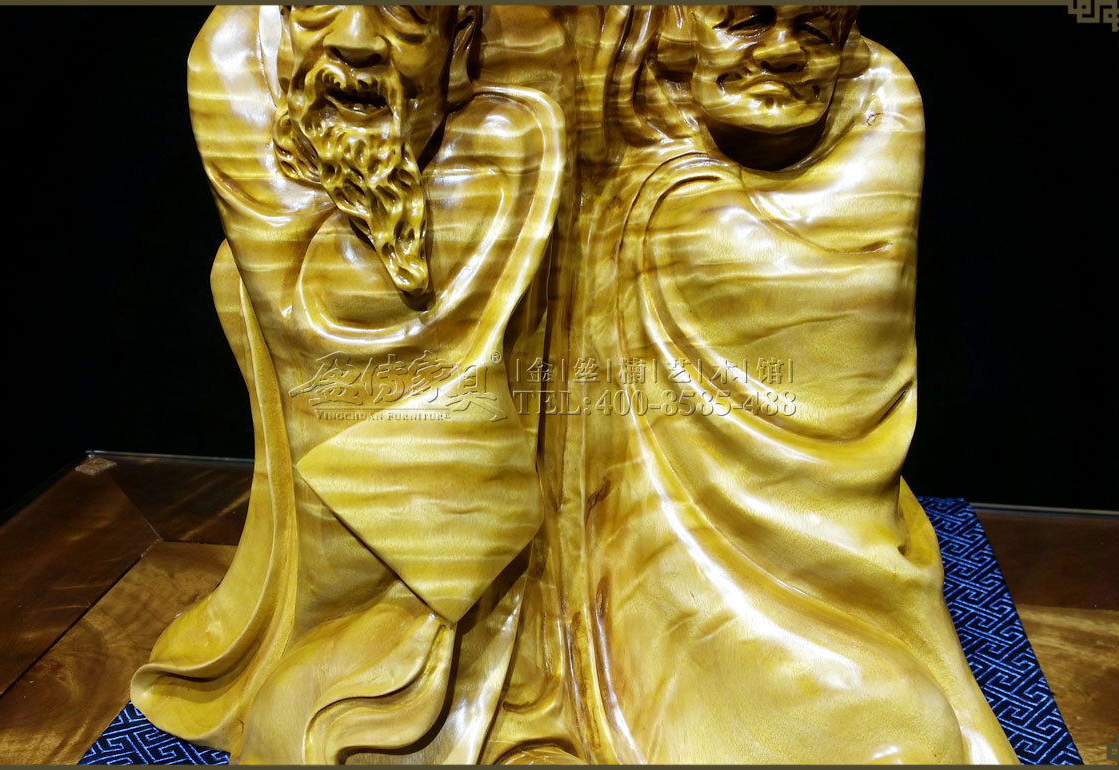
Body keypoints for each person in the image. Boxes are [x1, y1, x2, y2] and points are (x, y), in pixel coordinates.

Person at [548, 5, 1022, 762]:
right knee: (899, 734)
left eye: (815, 28)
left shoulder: (879, 98)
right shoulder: (602, 106)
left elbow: (848, 337)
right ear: (674, 26)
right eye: (746, 21)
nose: (781, 52)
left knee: (906, 730)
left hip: (820, 529)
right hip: (643, 531)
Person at [130, 6, 565, 763]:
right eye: (316, 5)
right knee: (235, 281)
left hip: (513, 534)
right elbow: (318, 316)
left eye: (406, 12)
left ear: (462, 44)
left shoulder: (517, 135)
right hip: (365, 505)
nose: (357, 40)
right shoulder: (233, 62)